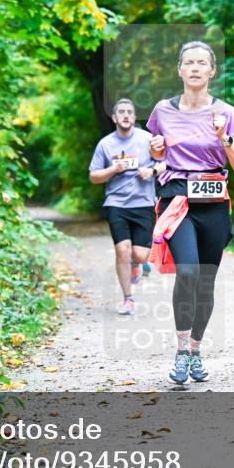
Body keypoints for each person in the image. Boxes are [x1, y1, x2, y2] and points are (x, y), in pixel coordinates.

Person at [147, 41, 234, 384]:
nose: (194, 67)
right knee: (189, 272)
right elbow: (155, 159)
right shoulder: (162, 111)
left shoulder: (227, 113)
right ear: (179, 70)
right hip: (177, 199)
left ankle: (195, 350)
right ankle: (180, 350)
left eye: (201, 63)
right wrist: (156, 151)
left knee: (205, 281)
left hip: (214, 200)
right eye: (188, 62)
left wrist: (224, 137)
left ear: (211, 71)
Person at [89, 98, 164, 315]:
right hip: (116, 203)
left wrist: (152, 172)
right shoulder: (105, 144)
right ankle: (128, 299)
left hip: (143, 202)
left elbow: (168, 162)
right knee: (122, 250)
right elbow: (94, 177)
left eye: (130, 112)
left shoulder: (148, 139)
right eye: (121, 112)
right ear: (114, 118)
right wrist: (113, 169)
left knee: (140, 255)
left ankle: (137, 264)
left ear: (134, 117)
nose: (125, 115)